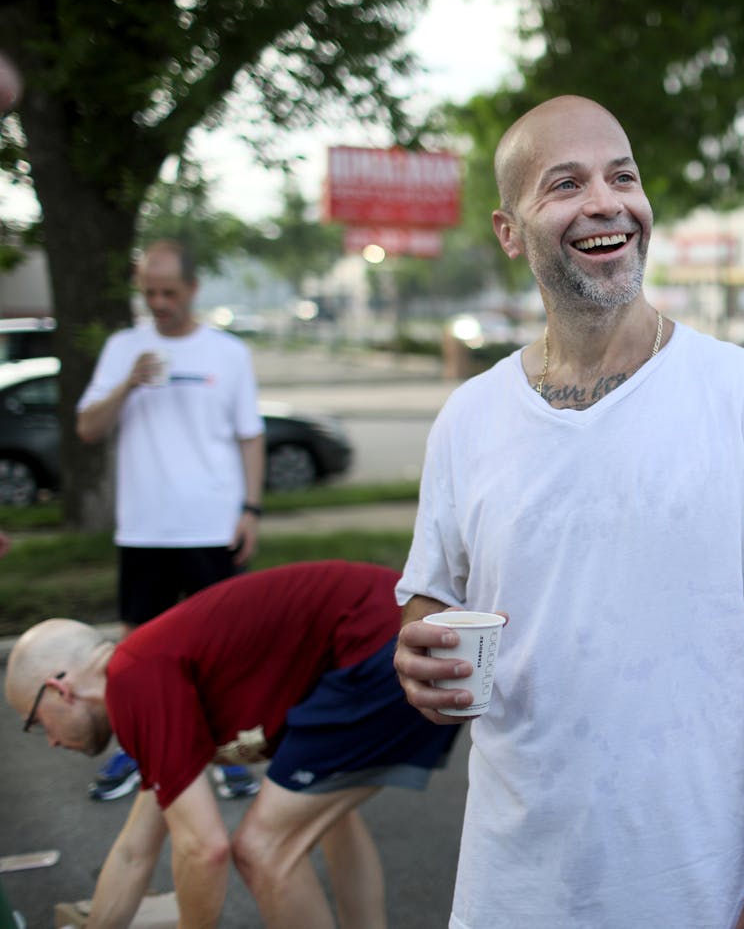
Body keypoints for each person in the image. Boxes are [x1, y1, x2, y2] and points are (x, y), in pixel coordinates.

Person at [391, 95, 744, 929]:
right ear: (509, 231)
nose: (606, 201)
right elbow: (433, 601)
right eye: (565, 183)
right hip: (511, 890)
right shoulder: (469, 417)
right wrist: (420, 655)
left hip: (700, 890)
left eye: (623, 176)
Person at [6, 561, 460, 929]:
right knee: (324, 820)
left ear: (59, 689)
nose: (49, 740)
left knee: (263, 849)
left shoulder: (131, 676)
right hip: (405, 637)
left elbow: (203, 849)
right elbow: (133, 850)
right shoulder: (150, 674)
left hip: (386, 644)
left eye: (35, 722)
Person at [76, 239, 265, 802]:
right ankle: (137, 748)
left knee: (218, 649)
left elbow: (250, 437)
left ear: (193, 290)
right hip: (145, 527)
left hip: (211, 525)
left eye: (169, 293)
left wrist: (250, 510)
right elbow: (87, 427)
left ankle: (225, 751)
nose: (158, 303)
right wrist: (127, 382)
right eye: (149, 292)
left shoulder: (227, 353)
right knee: (139, 649)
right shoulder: (122, 348)